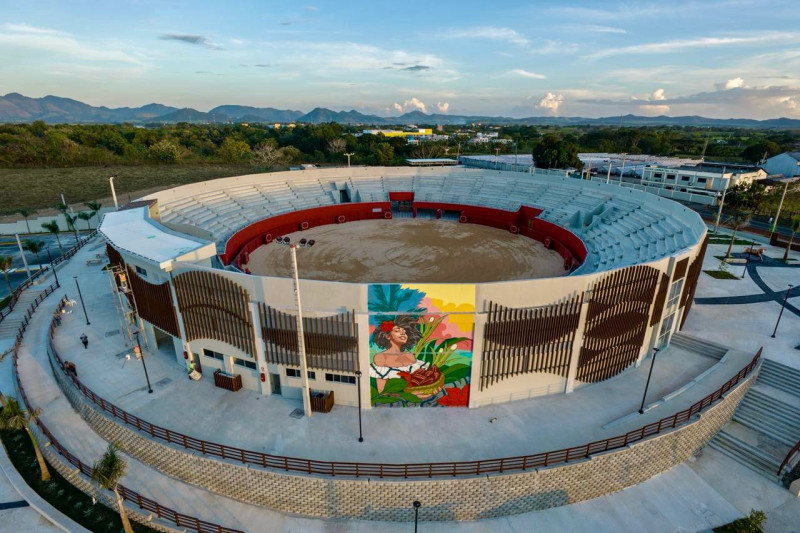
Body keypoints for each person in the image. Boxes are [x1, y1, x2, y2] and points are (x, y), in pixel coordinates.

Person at [370, 315, 441, 397]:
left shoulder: (410, 356)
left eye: (405, 331)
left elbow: (418, 383)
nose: (403, 332)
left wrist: (429, 392)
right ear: (388, 336)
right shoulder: (381, 357)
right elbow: (382, 391)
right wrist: (411, 396)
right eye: (397, 330)